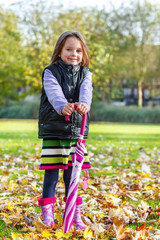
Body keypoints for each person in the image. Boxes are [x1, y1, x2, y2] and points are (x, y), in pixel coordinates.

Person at [38, 30, 93, 230]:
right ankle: (48, 215)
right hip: (54, 131)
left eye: (78, 50)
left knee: (73, 177)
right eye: (69, 49)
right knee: (51, 175)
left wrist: (84, 104)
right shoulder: (50, 72)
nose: (74, 54)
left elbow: (86, 92)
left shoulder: (86, 74)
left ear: (83, 52)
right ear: (60, 50)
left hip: (75, 134)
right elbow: (54, 93)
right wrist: (62, 106)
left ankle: (74, 213)